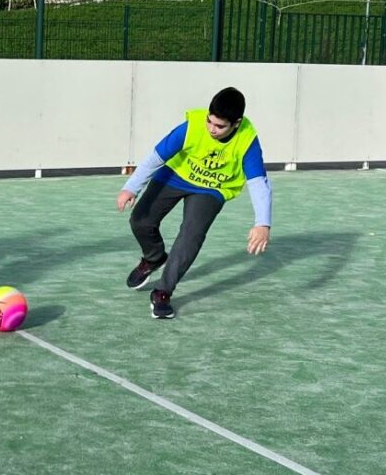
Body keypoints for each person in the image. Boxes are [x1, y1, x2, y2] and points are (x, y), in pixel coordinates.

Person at [117, 87, 272, 319]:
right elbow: (155, 157)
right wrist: (131, 187)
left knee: (191, 235)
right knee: (140, 220)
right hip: (175, 175)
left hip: (212, 188)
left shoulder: (247, 139)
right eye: (210, 121)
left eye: (220, 126)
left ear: (237, 124)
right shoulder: (191, 127)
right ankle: (153, 257)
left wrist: (263, 223)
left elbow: (259, 183)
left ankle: (163, 291)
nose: (211, 129)